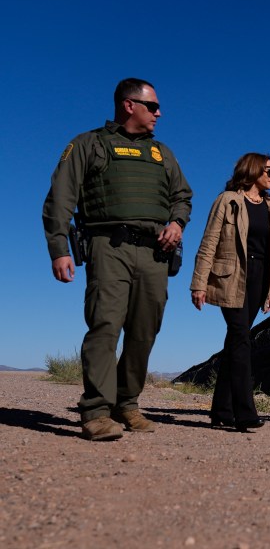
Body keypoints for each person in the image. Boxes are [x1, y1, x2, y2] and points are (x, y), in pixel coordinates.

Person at [42, 78, 193, 441]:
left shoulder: (162, 153)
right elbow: (60, 197)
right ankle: (95, 410)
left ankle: (127, 404)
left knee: (144, 331)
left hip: (155, 253)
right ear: (129, 105)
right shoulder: (88, 144)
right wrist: (59, 248)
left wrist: (176, 222)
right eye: (153, 106)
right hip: (108, 246)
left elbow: (183, 196)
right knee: (105, 325)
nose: (160, 113)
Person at [190, 153, 270, 432]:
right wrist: (199, 283)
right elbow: (209, 242)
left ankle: (221, 410)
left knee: (235, 342)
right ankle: (245, 412)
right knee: (241, 338)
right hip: (232, 277)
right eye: (269, 171)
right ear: (253, 170)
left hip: (259, 278)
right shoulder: (227, 200)